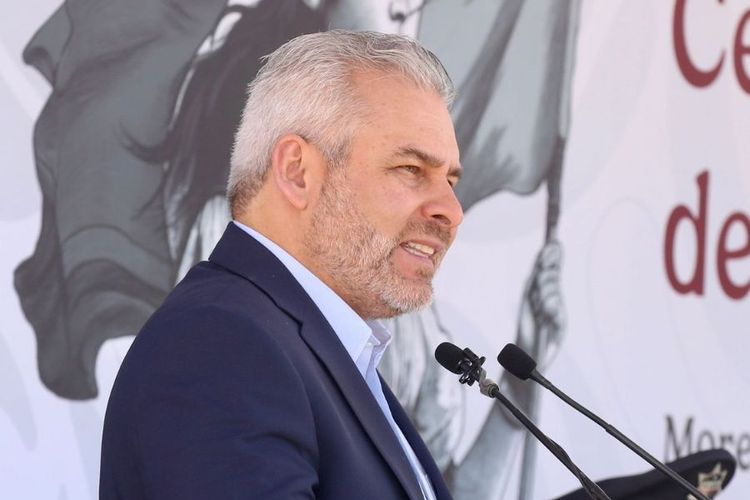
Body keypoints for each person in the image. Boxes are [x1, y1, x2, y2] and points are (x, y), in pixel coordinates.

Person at [99, 30, 462, 500]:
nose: (451, 210)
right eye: (411, 169)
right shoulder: (221, 343)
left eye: (451, 180)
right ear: (297, 171)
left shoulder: (301, 347)